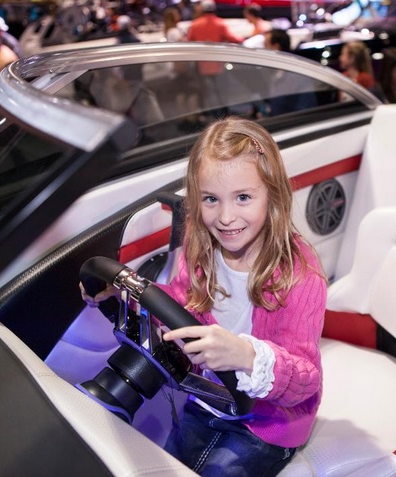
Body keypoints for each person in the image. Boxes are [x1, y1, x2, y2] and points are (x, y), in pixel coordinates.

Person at [82, 117, 326, 476]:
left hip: (268, 423)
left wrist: (246, 356)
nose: (225, 218)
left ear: (272, 194)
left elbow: (306, 380)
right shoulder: (200, 250)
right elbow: (179, 306)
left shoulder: (300, 274)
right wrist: (126, 296)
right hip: (206, 397)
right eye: (211, 199)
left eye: (243, 197)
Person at [263, 29, 318, 115]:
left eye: (266, 45)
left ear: (276, 47)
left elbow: (306, 111)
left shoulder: (297, 75)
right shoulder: (275, 72)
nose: (263, 50)